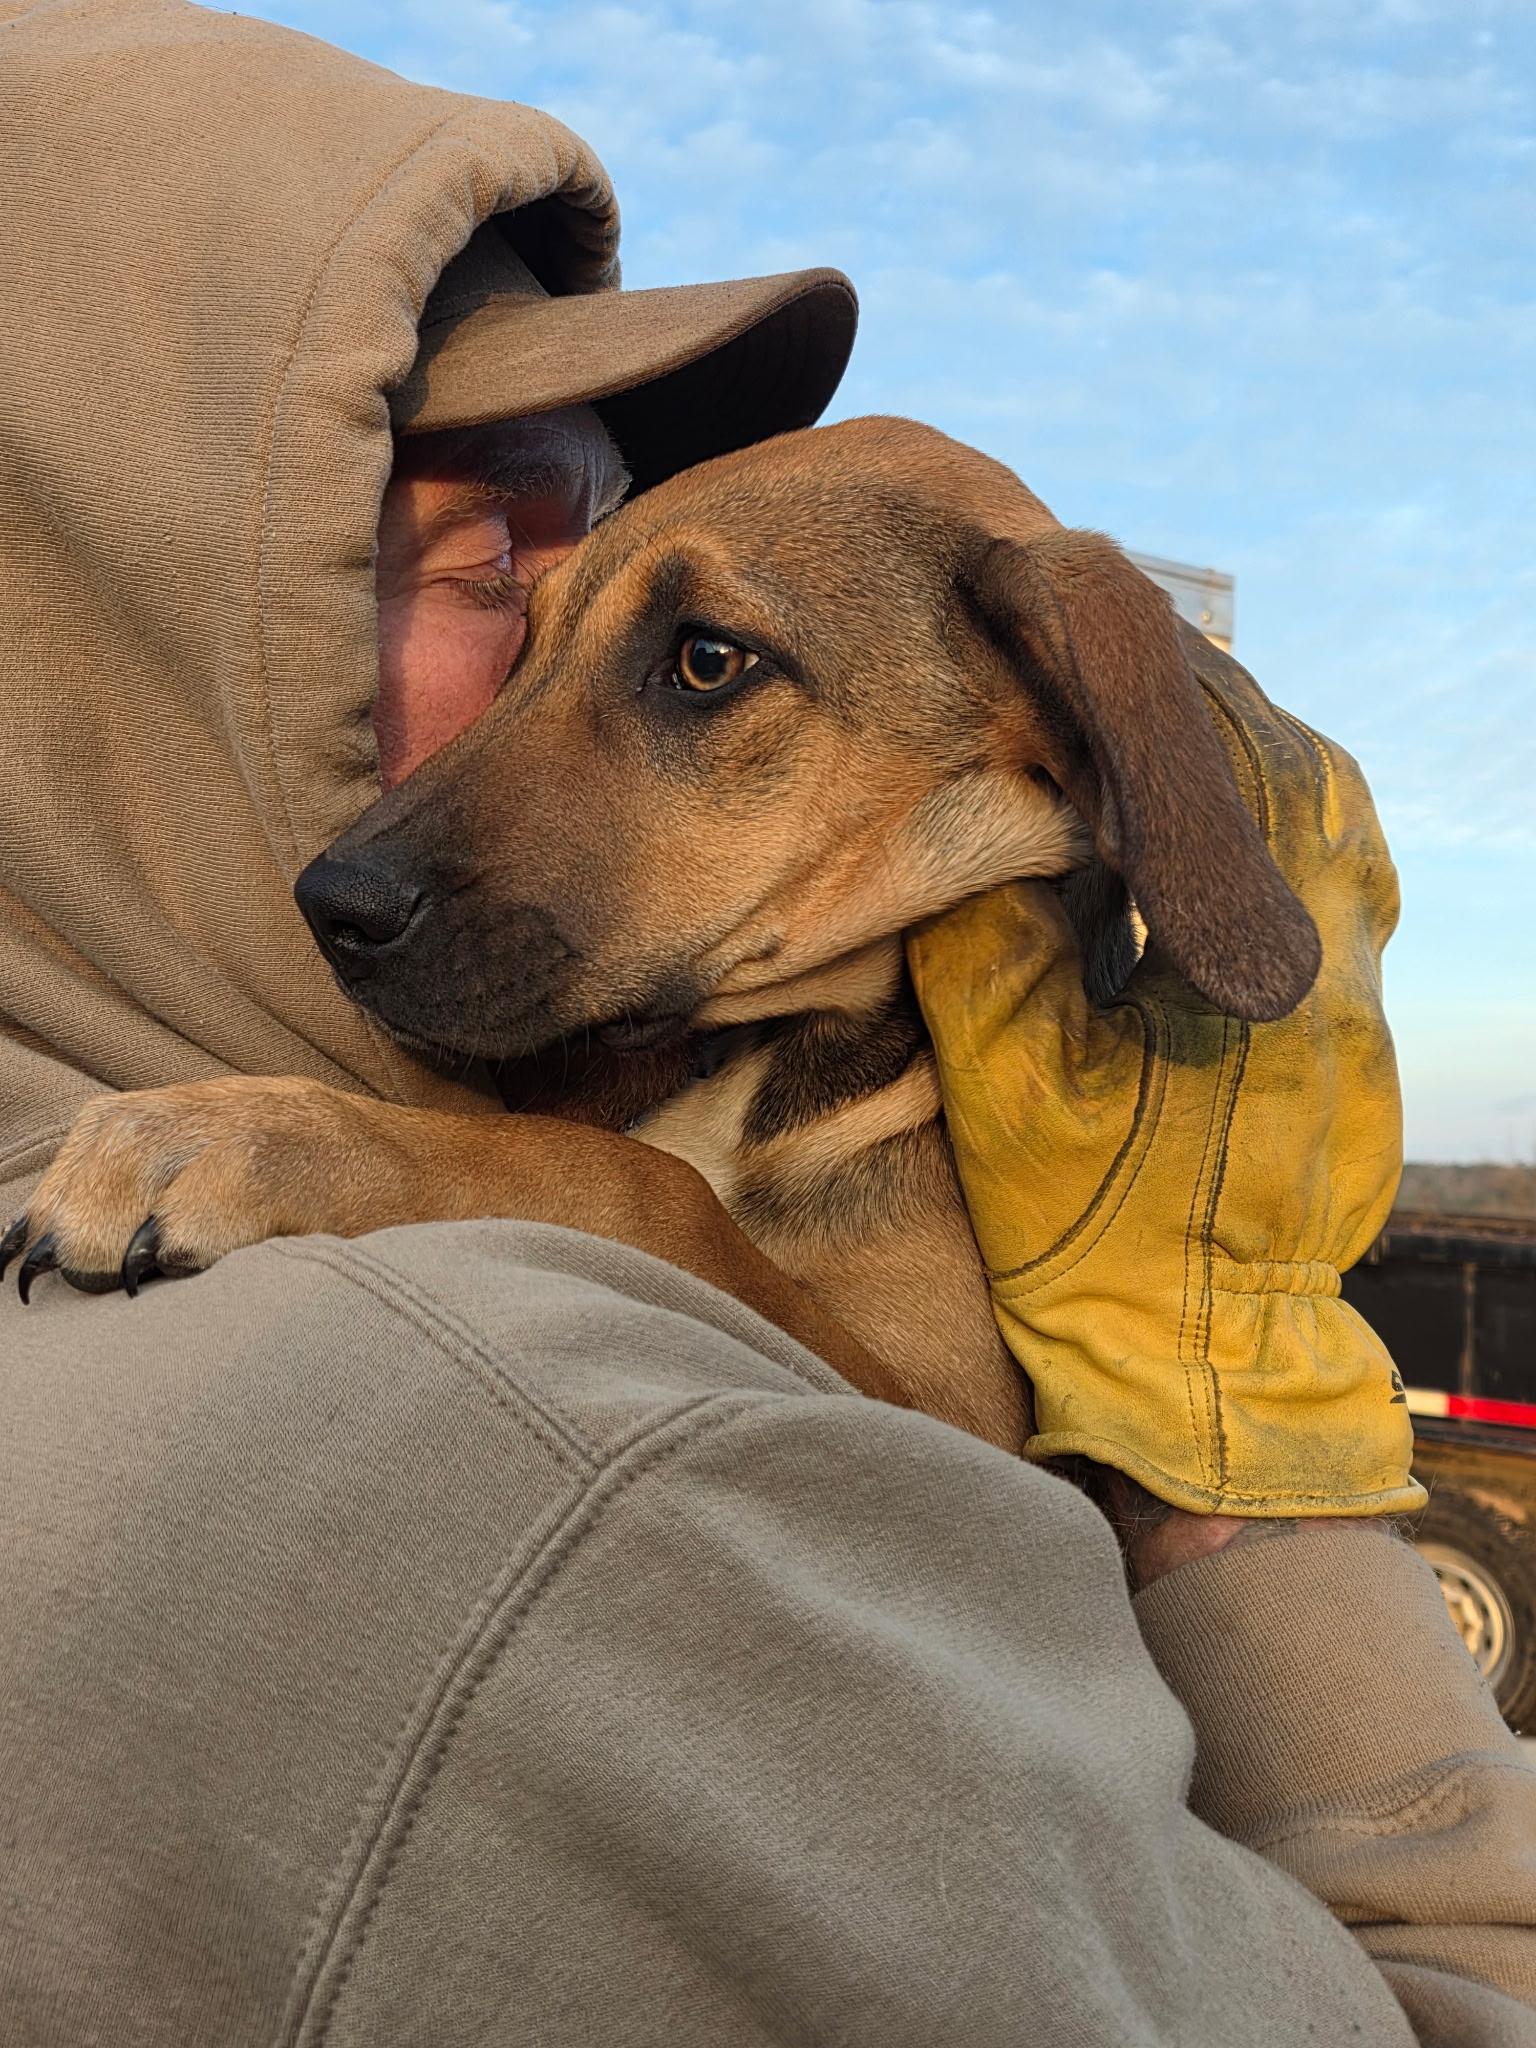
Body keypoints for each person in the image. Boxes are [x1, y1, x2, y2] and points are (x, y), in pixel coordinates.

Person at [1, 4, 1532, 2044]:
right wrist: (1241, 1443)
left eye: (687, 656)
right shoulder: (543, 1487)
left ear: (1045, 731)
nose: (465, 804)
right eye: (491, 584)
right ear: (120, 610)